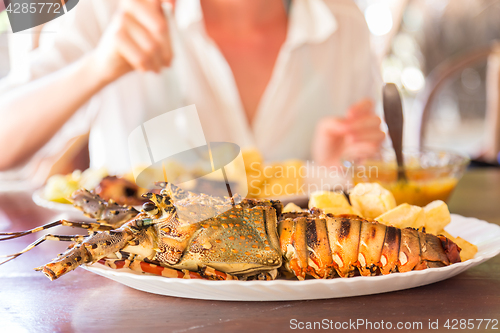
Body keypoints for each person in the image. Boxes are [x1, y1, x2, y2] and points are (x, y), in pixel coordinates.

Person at [0, 0, 384, 177]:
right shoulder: (112, 9)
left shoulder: (344, 25)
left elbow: (358, 176)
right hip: (139, 295)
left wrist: (332, 171)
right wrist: (100, 66)